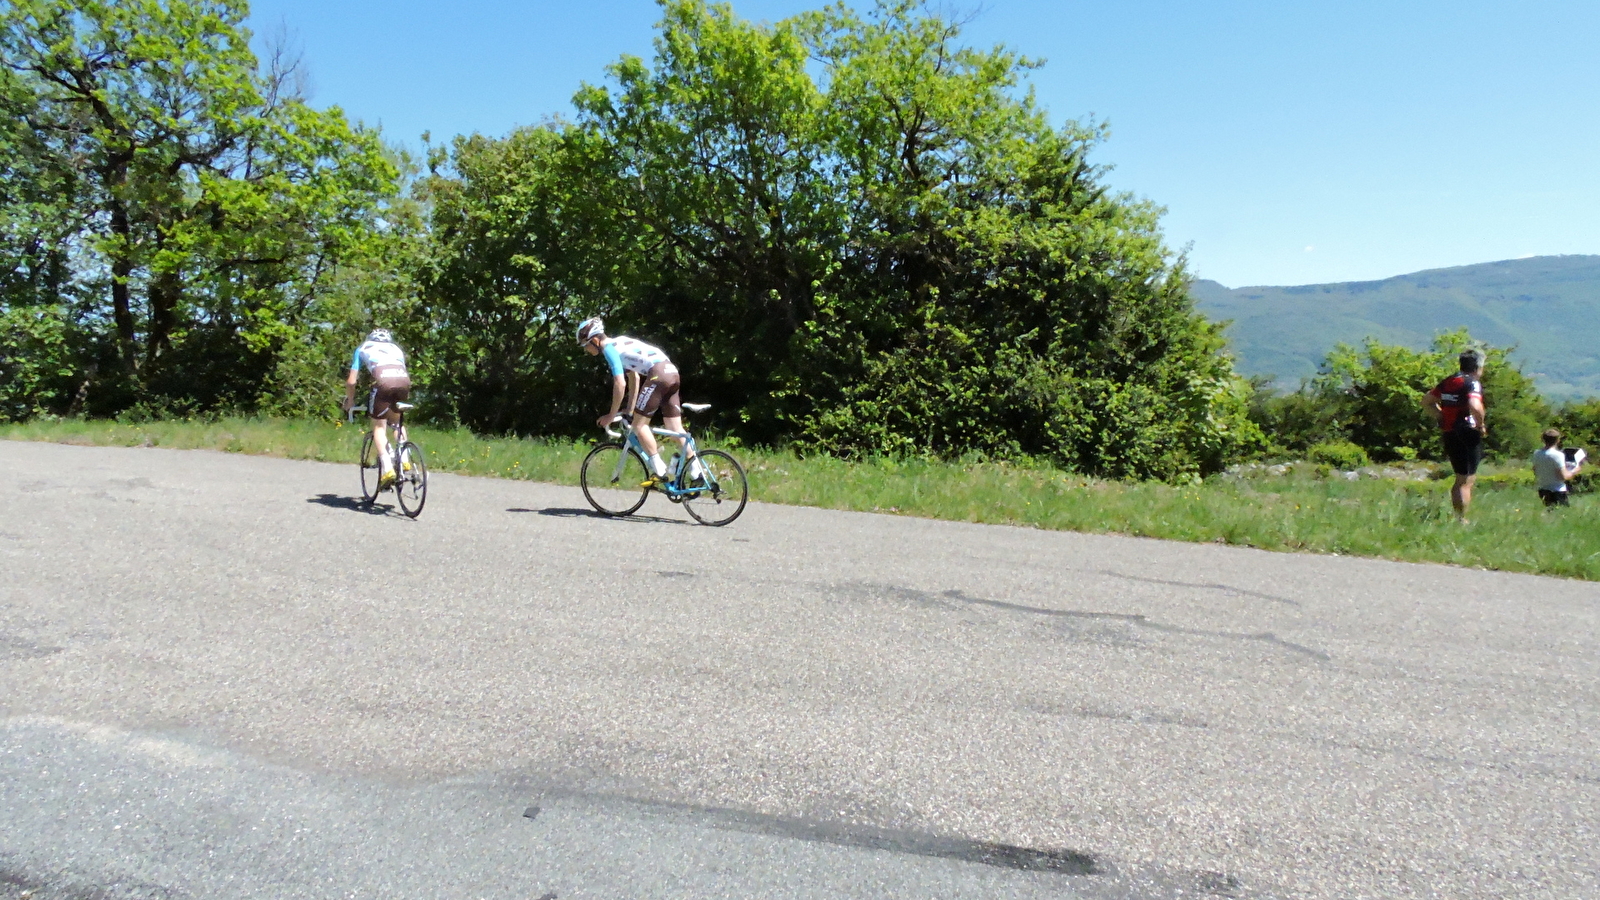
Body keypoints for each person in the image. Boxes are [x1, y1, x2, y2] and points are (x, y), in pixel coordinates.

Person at [576, 316, 695, 486]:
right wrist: (629, 410)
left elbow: (620, 382)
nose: (586, 349)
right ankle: (697, 471)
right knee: (675, 429)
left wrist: (611, 415)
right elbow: (634, 378)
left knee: (639, 426)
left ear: (595, 340)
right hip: (671, 372)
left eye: (585, 345)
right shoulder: (621, 342)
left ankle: (659, 470)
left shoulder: (609, 349)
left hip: (658, 374)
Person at [343, 328, 411, 489]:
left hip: (383, 382)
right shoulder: (396, 349)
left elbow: (352, 381)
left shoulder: (363, 348)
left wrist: (350, 401)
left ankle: (387, 467)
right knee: (396, 421)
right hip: (403, 381)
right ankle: (405, 458)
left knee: (378, 426)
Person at [1424, 350, 1487, 522]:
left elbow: (1427, 401)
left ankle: (1458, 516)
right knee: (1467, 479)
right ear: (1477, 367)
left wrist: (1440, 416)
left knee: (1459, 477)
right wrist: (1480, 424)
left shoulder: (1449, 381)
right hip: (1467, 431)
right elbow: (1475, 405)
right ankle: (1462, 519)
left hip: (1449, 431)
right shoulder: (1472, 382)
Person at [1531, 428, 1582, 507]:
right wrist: (1574, 470)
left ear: (1543, 440)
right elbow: (1563, 476)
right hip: (1557, 491)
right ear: (1557, 440)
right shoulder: (1558, 455)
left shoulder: (1537, 453)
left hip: (1543, 490)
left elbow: (1535, 470)